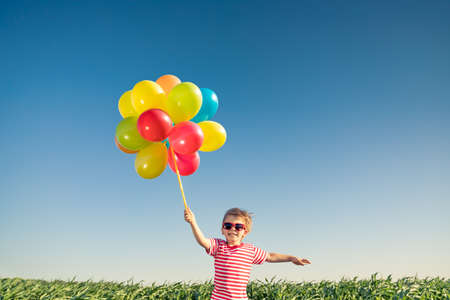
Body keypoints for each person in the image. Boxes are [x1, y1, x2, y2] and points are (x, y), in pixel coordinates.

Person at [184, 207, 311, 300]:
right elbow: (203, 241)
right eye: (228, 225)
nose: (232, 229)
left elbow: (270, 256)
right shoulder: (219, 246)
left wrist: (291, 258)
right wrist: (193, 222)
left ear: (245, 232)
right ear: (222, 230)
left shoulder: (250, 250)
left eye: (238, 226)